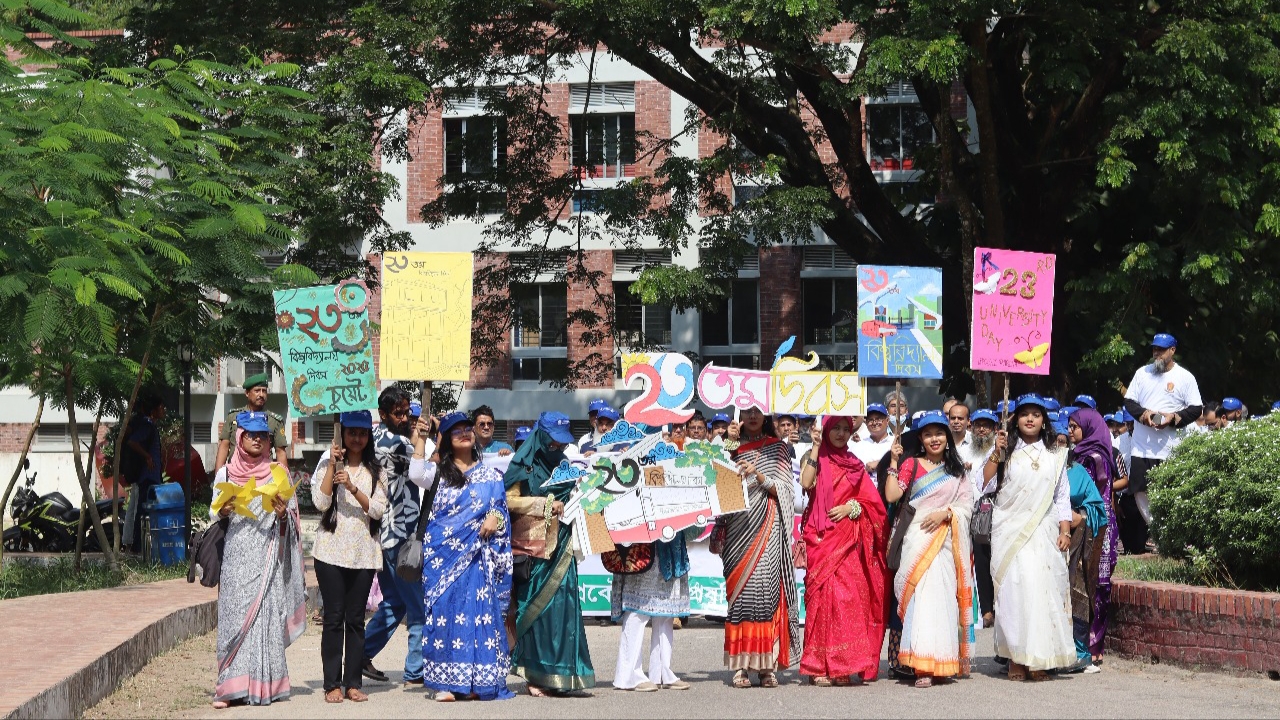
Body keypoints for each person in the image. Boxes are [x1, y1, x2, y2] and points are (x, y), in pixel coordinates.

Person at [211, 412, 306, 708]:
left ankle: (265, 686)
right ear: (239, 438)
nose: (256, 439)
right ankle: (229, 688)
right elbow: (213, 514)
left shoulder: (278, 472)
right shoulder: (225, 473)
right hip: (236, 557)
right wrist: (223, 510)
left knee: (264, 619)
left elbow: (291, 518)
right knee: (233, 619)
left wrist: (281, 514)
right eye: (250, 434)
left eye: (262, 435)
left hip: (266, 557)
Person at [420, 412, 515, 702]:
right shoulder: (439, 473)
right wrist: (419, 439)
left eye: (467, 428)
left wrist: (495, 518)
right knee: (446, 613)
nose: (464, 433)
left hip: (480, 558)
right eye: (455, 430)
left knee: (477, 616)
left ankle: (476, 681)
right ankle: (446, 684)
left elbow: (501, 508)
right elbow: (418, 479)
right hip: (443, 557)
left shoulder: (490, 475)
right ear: (447, 439)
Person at [984, 394, 1076, 681]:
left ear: (1044, 420)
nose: (1030, 419)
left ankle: (1038, 659)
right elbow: (983, 483)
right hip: (1010, 530)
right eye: (1025, 414)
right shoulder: (1005, 450)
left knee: (1041, 592)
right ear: (1016, 419)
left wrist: (1064, 530)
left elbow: (1062, 496)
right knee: (1014, 593)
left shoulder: (1055, 455)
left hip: (1043, 531)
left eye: (1036, 414)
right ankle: (1015, 658)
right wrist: (996, 454)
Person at [505, 412, 595, 696]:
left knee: (563, 611)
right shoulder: (523, 463)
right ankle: (534, 675)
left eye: (562, 442)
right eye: (553, 442)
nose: (557, 447)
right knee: (536, 612)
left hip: (563, 547)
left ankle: (562, 674)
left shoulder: (565, 464)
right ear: (541, 435)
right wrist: (543, 504)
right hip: (533, 549)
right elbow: (508, 501)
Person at [883, 411, 974, 688]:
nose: (934, 439)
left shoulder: (957, 472)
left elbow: (966, 506)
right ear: (921, 439)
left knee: (943, 600)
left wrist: (947, 513)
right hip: (917, 538)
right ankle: (922, 665)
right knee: (920, 601)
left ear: (947, 437)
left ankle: (943, 661)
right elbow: (891, 496)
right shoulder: (911, 465)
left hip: (945, 541)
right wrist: (894, 461)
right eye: (928, 434)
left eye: (939, 433)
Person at [797, 416, 888, 686]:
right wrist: (814, 447)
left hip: (847, 539)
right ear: (825, 430)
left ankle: (843, 665)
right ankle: (819, 667)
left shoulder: (854, 464)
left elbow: (873, 505)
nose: (840, 433)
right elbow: (806, 482)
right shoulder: (814, 456)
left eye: (845, 429)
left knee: (847, 600)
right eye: (834, 428)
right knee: (821, 601)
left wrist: (852, 508)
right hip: (821, 538)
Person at [717, 406, 800, 689]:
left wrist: (759, 475)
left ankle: (767, 666)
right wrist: (728, 444)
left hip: (767, 527)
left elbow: (787, 491)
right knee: (739, 599)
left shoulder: (777, 449)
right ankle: (740, 666)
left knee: (765, 595)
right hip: (737, 531)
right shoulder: (730, 448)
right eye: (747, 411)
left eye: (757, 411)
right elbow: (716, 485)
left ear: (766, 417)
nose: (752, 416)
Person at [311, 410, 389, 704]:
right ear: (342, 434)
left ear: (368, 437)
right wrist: (332, 468)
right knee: (334, 618)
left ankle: (353, 683)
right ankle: (331, 684)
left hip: (363, 554)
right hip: (330, 552)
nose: (357, 438)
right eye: (352, 432)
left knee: (356, 620)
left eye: (363, 433)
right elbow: (320, 503)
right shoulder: (325, 462)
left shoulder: (377, 470)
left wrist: (353, 487)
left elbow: (379, 510)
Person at [362, 387, 437, 686]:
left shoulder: (382, 439)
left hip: (387, 536)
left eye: (408, 412)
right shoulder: (393, 443)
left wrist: (419, 434)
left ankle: (359, 655)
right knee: (416, 604)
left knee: (395, 602)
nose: (406, 417)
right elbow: (429, 466)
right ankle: (415, 670)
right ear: (383, 414)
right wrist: (436, 437)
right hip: (399, 534)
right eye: (399, 413)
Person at [1122, 333, 1202, 550]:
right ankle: (1158, 533)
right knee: (1140, 490)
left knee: (1172, 493)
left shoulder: (1185, 377)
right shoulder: (1142, 373)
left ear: (1172, 351)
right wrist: (1144, 415)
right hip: (1142, 447)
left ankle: (1175, 538)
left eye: (1162, 349)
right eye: (1154, 349)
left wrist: (1173, 418)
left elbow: (1196, 408)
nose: (1157, 353)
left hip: (1170, 449)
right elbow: (1129, 401)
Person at [610, 525, 697, 692]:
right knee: (637, 609)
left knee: (666, 612)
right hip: (643, 540)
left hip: (671, 539)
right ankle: (629, 676)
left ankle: (662, 673)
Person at [1068, 408, 1120, 667]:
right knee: (1085, 583)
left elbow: (1089, 494)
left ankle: (1092, 646)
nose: (1070, 431)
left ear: (1088, 428)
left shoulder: (1095, 458)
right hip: (1088, 523)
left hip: (1096, 525)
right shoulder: (1082, 454)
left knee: (1095, 585)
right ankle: (1085, 646)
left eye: (1074, 426)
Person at [1062, 412, 1109, 675]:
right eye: (1054, 439)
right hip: (1038, 543)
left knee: (1077, 590)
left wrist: (1080, 518)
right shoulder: (1037, 470)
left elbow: (1099, 506)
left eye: (1063, 439)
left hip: (1078, 544)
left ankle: (1080, 652)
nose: (1059, 445)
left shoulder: (1080, 469)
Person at [965, 409, 999, 628]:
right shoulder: (965, 449)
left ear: (995, 428)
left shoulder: (1002, 448)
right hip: (974, 514)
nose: (982, 429)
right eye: (979, 424)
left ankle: (999, 607)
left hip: (1001, 512)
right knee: (981, 560)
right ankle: (986, 609)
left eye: (987, 425)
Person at [215, 374, 288, 472]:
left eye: (264, 391)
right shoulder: (234, 416)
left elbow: (280, 452)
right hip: (235, 474)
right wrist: (218, 477)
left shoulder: (274, 421)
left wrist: (284, 483)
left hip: (263, 476)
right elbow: (224, 446)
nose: (261, 395)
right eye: (257, 391)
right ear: (247, 393)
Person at [122, 395, 165, 552]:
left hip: (152, 476)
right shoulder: (147, 426)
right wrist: (147, 456)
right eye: (161, 408)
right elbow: (132, 442)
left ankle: (143, 547)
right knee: (141, 512)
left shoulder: (151, 425)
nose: (164, 410)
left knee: (147, 512)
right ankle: (136, 548)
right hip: (147, 477)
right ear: (153, 411)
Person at [851, 404, 894, 472]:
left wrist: (880, 464)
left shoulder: (895, 443)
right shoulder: (857, 447)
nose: (874, 423)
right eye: (870, 420)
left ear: (887, 420)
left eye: (878, 419)